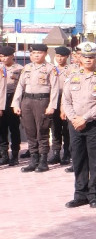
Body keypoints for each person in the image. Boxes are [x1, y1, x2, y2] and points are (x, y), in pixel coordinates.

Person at [62, 42, 96, 208]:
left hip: (95, 124)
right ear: (79, 58)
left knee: (95, 160)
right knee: (78, 159)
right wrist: (74, 118)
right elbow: (66, 101)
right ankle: (80, 194)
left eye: (91, 57)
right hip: (75, 124)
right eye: (85, 57)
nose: (88, 60)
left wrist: (85, 118)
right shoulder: (71, 77)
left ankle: (94, 195)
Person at [12, 43, 60, 173]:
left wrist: (52, 105)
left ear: (45, 54)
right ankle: (34, 160)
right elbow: (20, 87)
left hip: (42, 101)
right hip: (27, 101)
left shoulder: (51, 69)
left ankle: (43, 160)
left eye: (38, 53)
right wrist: (16, 104)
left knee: (42, 131)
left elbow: (55, 89)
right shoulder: (27, 67)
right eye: (33, 53)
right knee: (30, 131)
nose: (35, 55)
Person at [49, 46, 73, 166]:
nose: (59, 58)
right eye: (57, 56)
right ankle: (56, 153)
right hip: (54, 100)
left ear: (67, 57)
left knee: (66, 129)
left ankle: (67, 154)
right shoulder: (52, 69)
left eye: (62, 56)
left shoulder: (72, 69)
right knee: (55, 128)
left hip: (68, 100)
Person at [0, 46, 23, 166]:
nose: (3, 58)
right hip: (1, 100)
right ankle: (4, 154)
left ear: (12, 56)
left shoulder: (20, 69)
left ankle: (14, 155)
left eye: (6, 56)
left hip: (13, 99)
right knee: (1, 128)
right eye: (1, 56)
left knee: (14, 128)